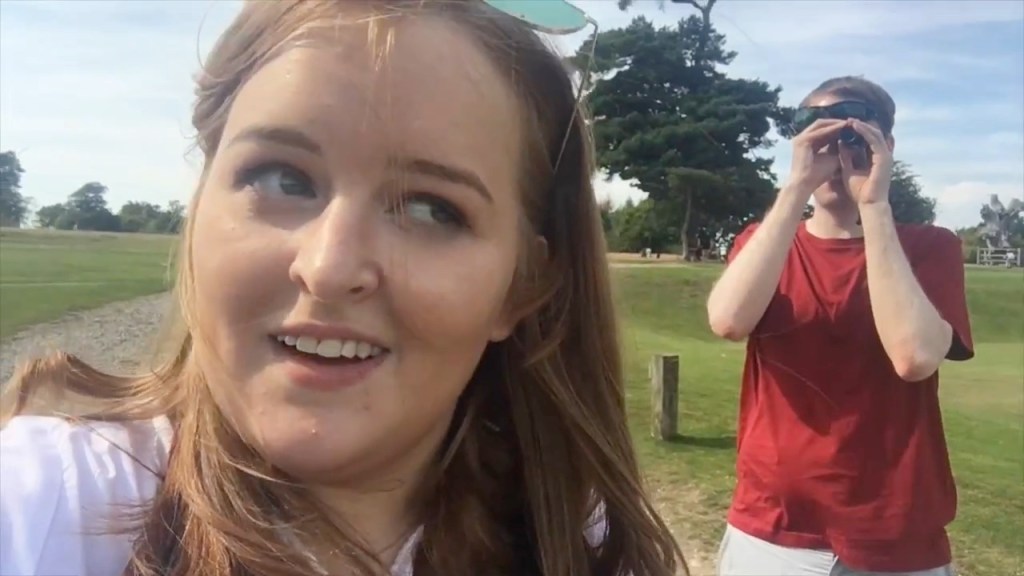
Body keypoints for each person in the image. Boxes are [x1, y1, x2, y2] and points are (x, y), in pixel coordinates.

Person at [0, 2, 687, 575]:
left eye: (430, 208)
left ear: (522, 286)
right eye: (283, 179)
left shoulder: (582, 543)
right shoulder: (49, 506)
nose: (328, 268)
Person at [707, 76, 973, 576]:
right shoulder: (762, 242)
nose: (837, 153)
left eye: (853, 136)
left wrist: (874, 207)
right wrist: (795, 190)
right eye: (819, 135)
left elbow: (914, 357)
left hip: (896, 535)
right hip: (773, 527)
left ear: (886, 147)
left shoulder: (930, 248)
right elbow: (728, 319)